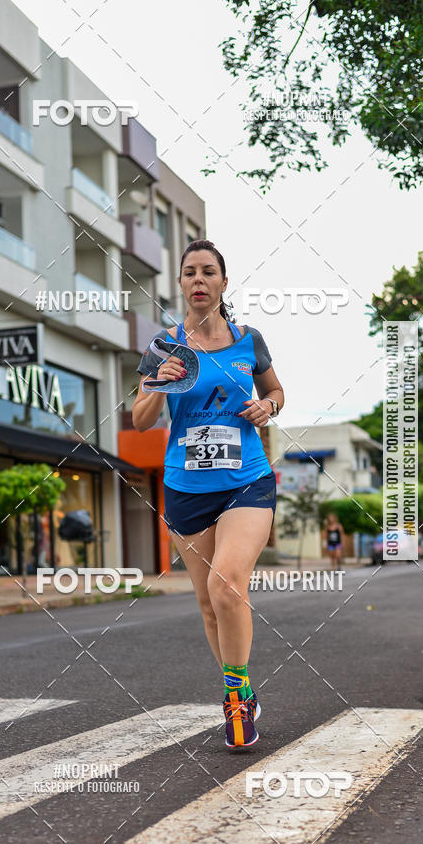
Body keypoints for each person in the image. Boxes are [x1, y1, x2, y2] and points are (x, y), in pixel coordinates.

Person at [133, 239, 284, 749]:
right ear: (180, 284)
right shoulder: (163, 345)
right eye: (190, 272)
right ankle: (237, 682)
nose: (199, 280)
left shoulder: (249, 339)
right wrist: (158, 382)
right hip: (185, 488)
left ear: (223, 282)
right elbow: (139, 419)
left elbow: (277, 392)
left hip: (247, 480)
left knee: (227, 583)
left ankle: (236, 696)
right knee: (206, 602)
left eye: (209, 272)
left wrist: (269, 408)